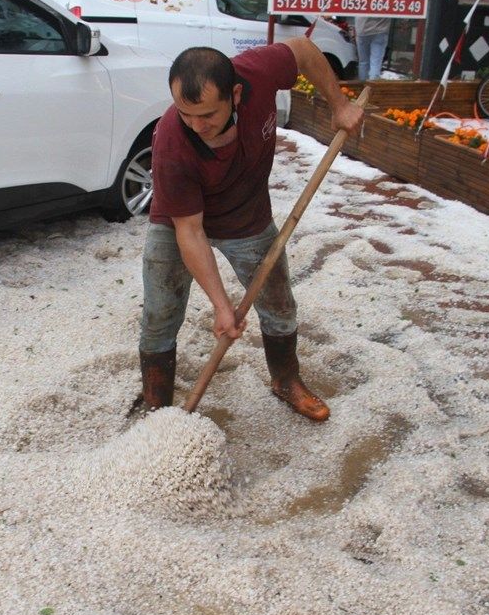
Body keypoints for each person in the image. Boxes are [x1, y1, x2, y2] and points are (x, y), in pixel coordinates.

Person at [138, 38, 364, 421]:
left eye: (207, 114)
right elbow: (190, 233)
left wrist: (339, 105)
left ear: (236, 94)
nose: (196, 125)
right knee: (160, 311)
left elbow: (305, 51)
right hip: (179, 221)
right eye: (185, 113)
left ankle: (286, 380)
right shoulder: (172, 143)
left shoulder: (258, 70)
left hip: (246, 214)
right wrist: (222, 308)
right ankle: (156, 404)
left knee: (278, 304)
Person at [354, 16, 392, 80]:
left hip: (362, 29)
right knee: (376, 63)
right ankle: (372, 87)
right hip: (380, 29)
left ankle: (363, 86)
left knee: (363, 62)